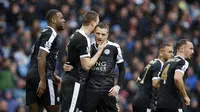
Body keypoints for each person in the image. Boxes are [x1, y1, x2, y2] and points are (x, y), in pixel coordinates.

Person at [64, 22, 125, 112]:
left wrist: (118, 86)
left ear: (107, 35)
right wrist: (69, 65)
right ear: (94, 33)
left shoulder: (114, 47)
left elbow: (122, 69)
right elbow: (77, 62)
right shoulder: (89, 46)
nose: (100, 36)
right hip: (90, 89)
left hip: (107, 90)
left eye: (103, 34)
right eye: (98, 33)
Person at [60, 11, 106, 112]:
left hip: (71, 79)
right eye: (97, 22)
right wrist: (99, 52)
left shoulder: (75, 34)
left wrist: (72, 62)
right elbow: (86, 66)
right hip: (75, 80)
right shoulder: (83, 39)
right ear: (93, 23)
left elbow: (68, 49)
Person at [26, 9, 65, 112]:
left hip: (31, 75)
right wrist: (43, 80)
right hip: (42, 76)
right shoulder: (51, 33)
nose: (64, 20)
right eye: (61, 18)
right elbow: (41, 56)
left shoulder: (43, 33)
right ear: (53, 20)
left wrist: (54, 75)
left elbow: (39, 58)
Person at [132, 43, 174, 112]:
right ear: (161, 53)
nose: (172, 54)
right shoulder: (159, 64)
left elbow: (138, 81)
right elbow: (155, 84)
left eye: (172, 52)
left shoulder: (151, 63)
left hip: (137, 101)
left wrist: (145, 90)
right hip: (146, 102)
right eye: (169, 52)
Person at [157, 39, 194, 112]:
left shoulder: (167, 62)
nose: (192, 52)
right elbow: (177, 78)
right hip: (173, 102)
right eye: (190, 48)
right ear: (182, 49)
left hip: (160, 103)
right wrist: (185, 96)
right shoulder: (182, 62)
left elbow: (158, 82)